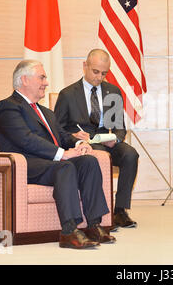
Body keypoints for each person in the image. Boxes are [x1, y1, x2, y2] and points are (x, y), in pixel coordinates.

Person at [0, 59, 116, 249]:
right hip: (27, 165)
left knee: (88, 162)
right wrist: (63, 154)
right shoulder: (8, 107)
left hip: (51, 163)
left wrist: (80, 143)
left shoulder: (46, 112)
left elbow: (62, 136)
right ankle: (69, 231)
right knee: (65, 166)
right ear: (25, 80)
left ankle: (94, 224)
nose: (46, 82)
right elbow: (26, 139)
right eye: (42, 77)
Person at [54, 49, 139, 228]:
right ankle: (102, 215)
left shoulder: (112, 91)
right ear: (85, 66)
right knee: (100, 157)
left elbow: (119, 127)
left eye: (104, 73)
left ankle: (120, 211)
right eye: (95, 72)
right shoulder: (68, 94)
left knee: (130, 154)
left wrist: (115, 139)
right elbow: (57, 130)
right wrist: (74, 137)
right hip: (84, 145)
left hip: (106, 141)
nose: (99, 77)